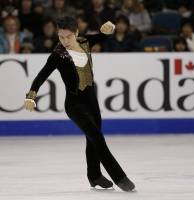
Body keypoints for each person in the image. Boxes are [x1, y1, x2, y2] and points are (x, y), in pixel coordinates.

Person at [24, 16, 135, 192]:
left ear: (76, 33)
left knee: (92, 141)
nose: (64, 41)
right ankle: (120, 177)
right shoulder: (57, 55)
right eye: (61, 36)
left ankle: (94, 176)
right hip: (74, 106)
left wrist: (110, 27)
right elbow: (41, 75)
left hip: (92, 102)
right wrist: (31, 95)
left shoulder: (85, 42)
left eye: (68, 36)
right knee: (98, 139)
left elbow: (104, 35)